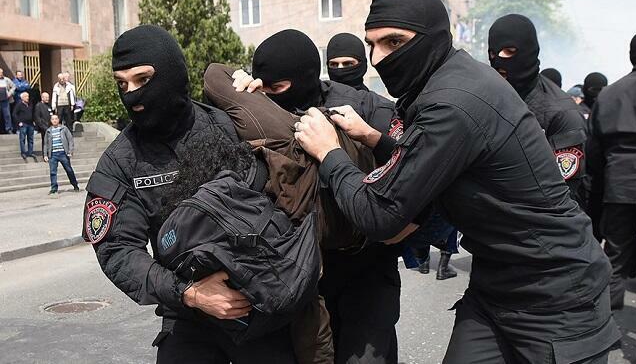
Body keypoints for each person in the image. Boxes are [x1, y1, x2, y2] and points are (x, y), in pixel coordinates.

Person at [294, 0, 619, 363]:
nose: (378, 58)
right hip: (495, 287)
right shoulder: (449, 80)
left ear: (432, 38)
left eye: (394, 42)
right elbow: (425, 162)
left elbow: (379, 213)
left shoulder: (453, 101)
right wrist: (373, 138)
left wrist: (329, 153)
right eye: (372, 45)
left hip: (556, 295)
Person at [81, 25, 298, 364]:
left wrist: (260, 99)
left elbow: (294, 159)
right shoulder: (120, 161)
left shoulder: (229, 125)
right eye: (122, 84)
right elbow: (118, 250)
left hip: (261, 301)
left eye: (143, 79)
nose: (132, 95)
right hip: (188, 314)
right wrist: (191, 293)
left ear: (171, 73)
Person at [232, 29, 400, 364]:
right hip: (301, 270)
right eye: (265, 88)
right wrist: (240, 88)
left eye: (278, 88)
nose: (271, 95)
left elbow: (413, 166)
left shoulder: (363, 108)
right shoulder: (260, 109)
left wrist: (405, 231)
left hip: (365, 265)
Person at [587, 28, 636, 364]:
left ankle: (603, 332)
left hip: (617, 187)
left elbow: (594, 151)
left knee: (613, 259)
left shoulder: (609, 93)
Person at [488, 14, 589, 209]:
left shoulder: (562, 113)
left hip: (539, 218)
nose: (499, 60)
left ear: (529, 51)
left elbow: (563, 191)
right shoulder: (489, 96)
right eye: (493, 53)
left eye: (509, 52)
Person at [45, 114, 79, 194]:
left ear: (58, 120)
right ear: (51, 121)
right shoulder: (48, 131)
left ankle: (75, 184)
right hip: (53, 154)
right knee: (53, 172)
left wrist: (70, 151)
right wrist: (45, 154)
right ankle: (54, 188)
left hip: (63, 153)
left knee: (69, 170)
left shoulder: (64, 129)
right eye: (53, 119)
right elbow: (46, 144)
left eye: (56, 119)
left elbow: (70, 140)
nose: (54, 120)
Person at [12, 92, 38, 163]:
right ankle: (23, 152)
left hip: (30, 124)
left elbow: (33, 113)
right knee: (22, 139)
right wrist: (19, 122)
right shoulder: (19, 105)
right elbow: (14, 114)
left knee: (31, 139)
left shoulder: (30, 104)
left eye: (28, 96)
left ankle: (30, 152)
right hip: (23, 124)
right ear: (22, 98)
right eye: (26, 96)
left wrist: (34, 120)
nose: (27, 98)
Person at [34, 92, 53, 158]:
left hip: (50, 126)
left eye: (48, 97)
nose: (47, 98)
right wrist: (42, 126)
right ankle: (45, 154)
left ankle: (50, 153)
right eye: (46, 97)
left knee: (50, 141)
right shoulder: (38, 106)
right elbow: (37, 118)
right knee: (45, 141)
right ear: (42, 98)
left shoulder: (49, 105)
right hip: (43, 127)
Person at [0, 68, 16, 134]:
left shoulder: (6, 80)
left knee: (7, 115)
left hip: (5, 100)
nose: (1, 74)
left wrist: (9, 93)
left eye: (1, 72)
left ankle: (8, 129)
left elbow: (14, 86)